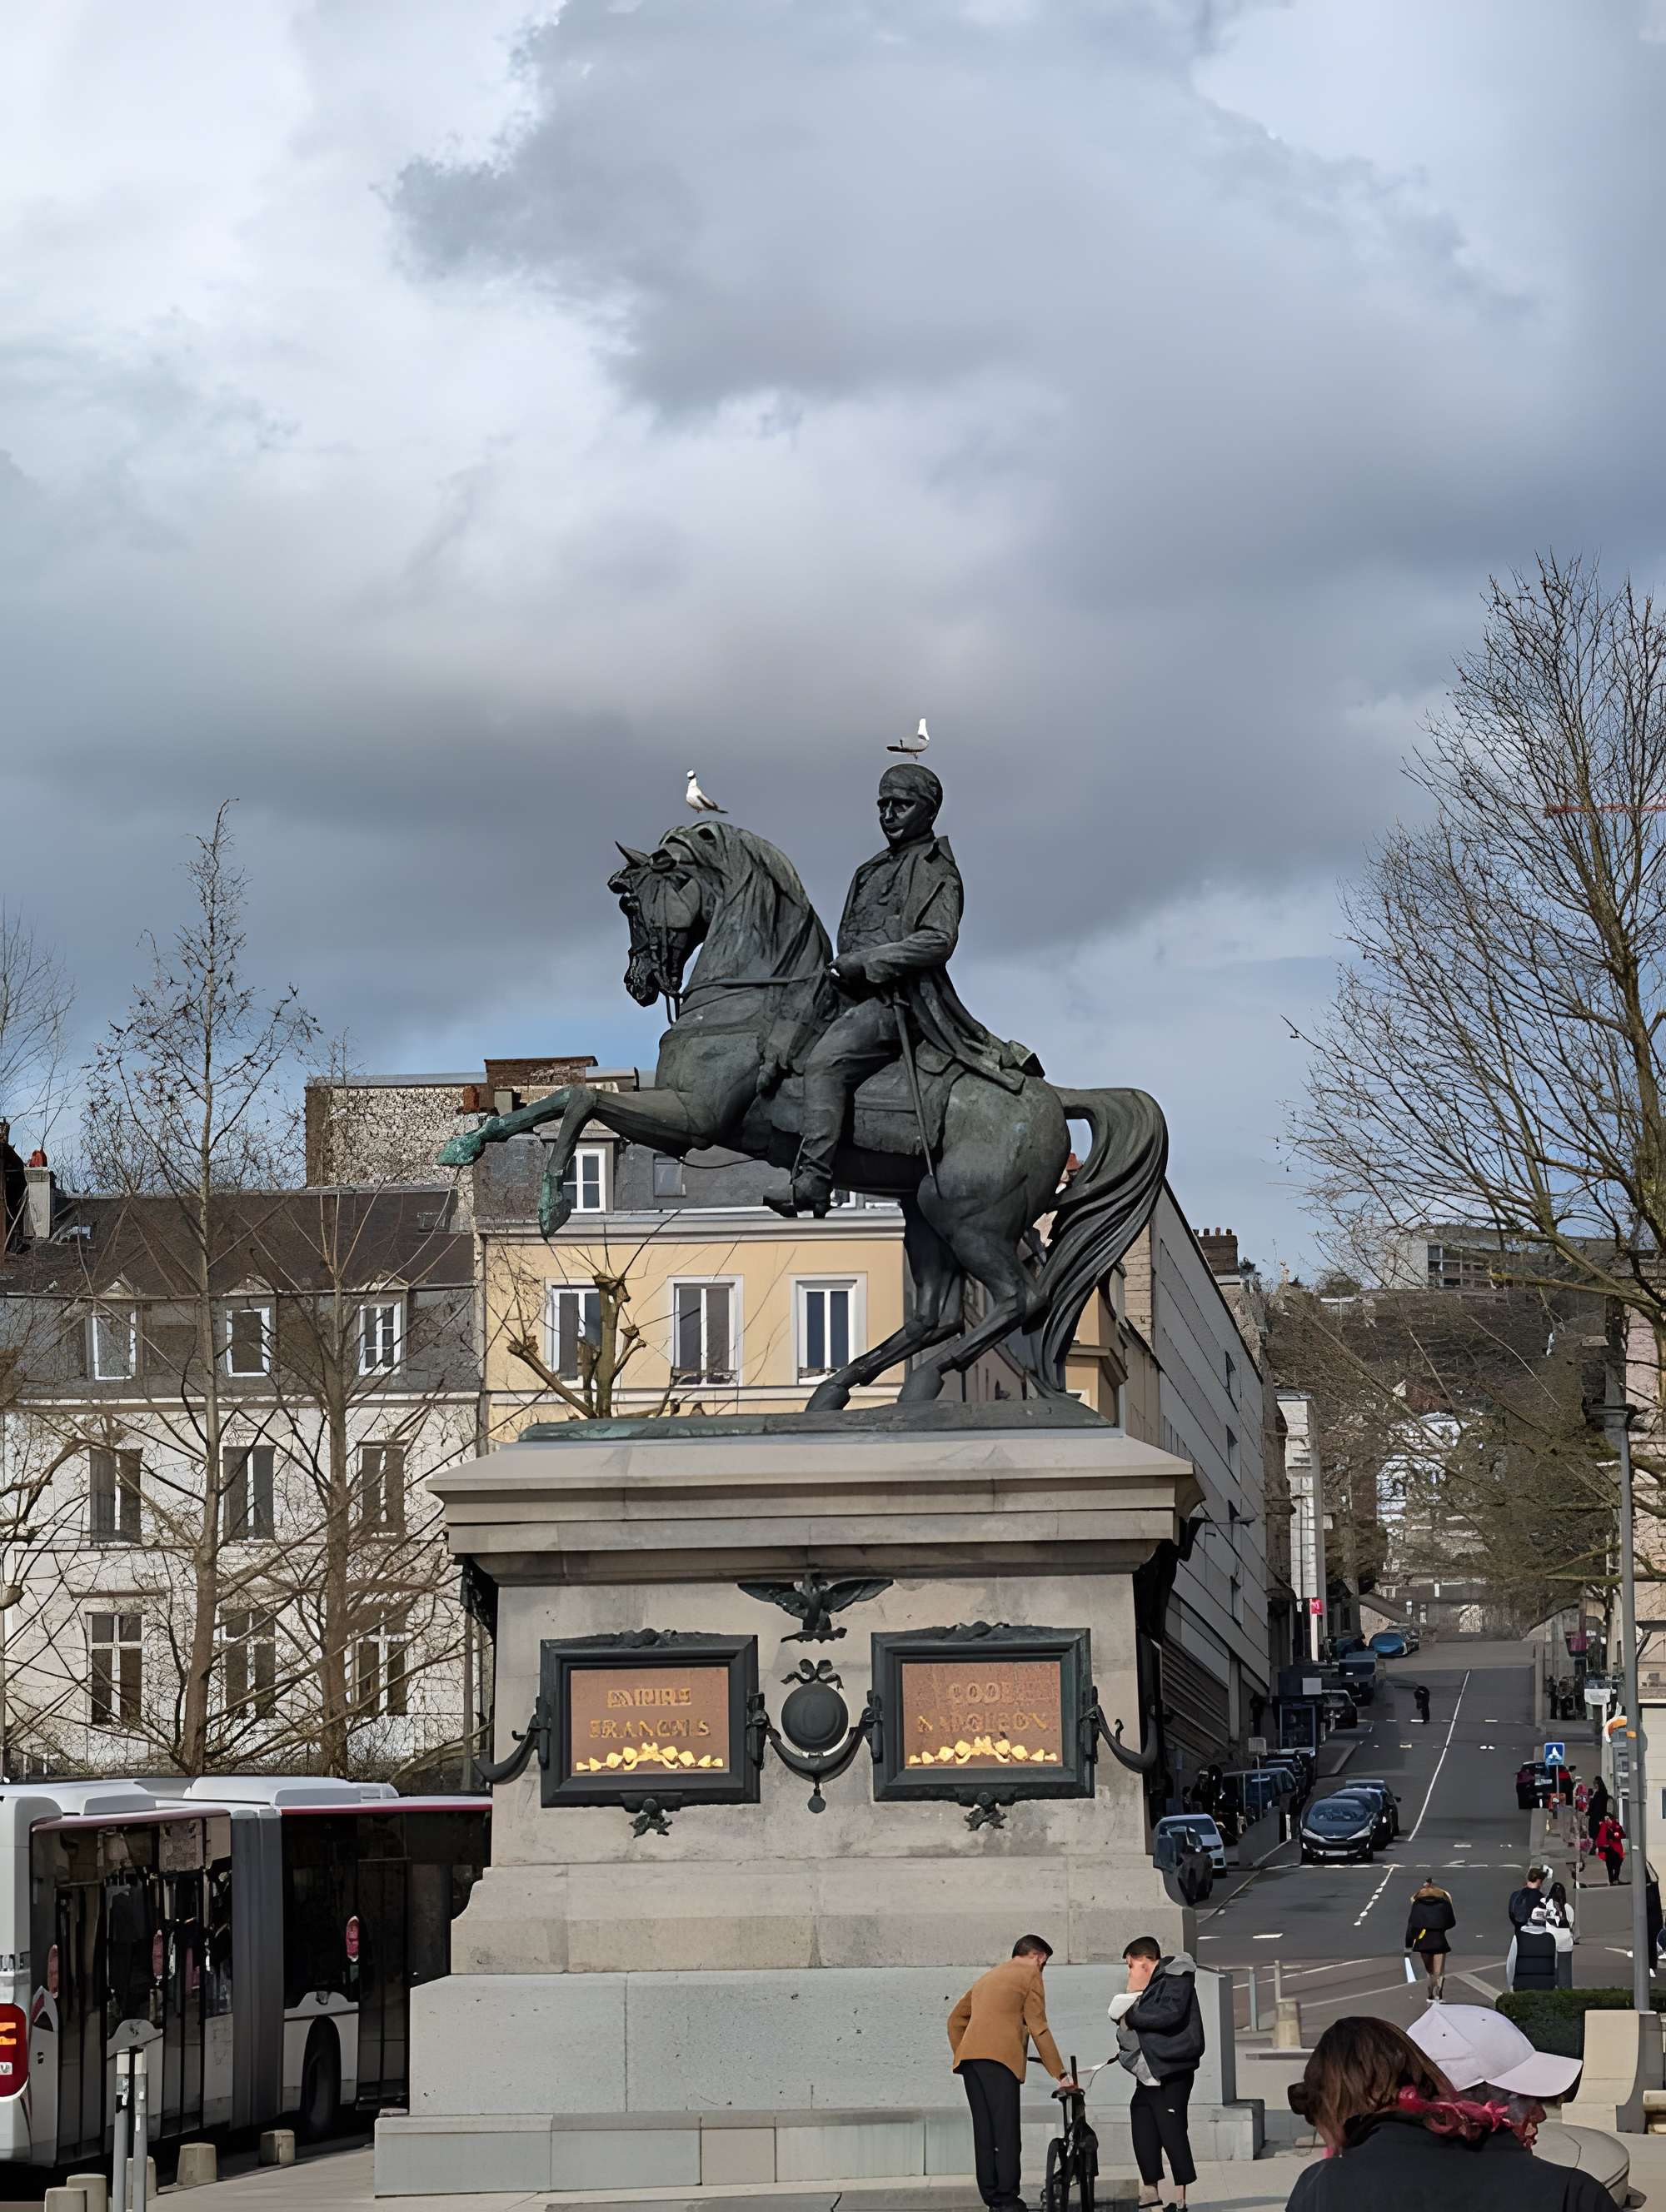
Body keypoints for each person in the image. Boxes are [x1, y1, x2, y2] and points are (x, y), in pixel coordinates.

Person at [767, 764, 1039, 1218]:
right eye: (883, 806)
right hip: (849, 993)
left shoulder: (938, 870)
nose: (889, 815)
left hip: (901, 1002)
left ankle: (813, 1181)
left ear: (928, 812)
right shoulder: (868, 870)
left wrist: (868, 963)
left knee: (826, 1064)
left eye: (901, 805)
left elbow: (938, 940)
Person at [1284, 2012, 1617, 2210]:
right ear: (1449, 2091)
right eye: (1518, 2095)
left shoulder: (1324, 2192)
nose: (1539, 2114)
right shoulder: (1572, 2194)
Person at [947, 1935, 1075, 2212]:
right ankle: (1008, 2199)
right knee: (1005, 2132)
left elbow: (955, 2020)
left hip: (971, 2063)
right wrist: (1060, 2074)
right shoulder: (1030, 1974)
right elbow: (1039, 2027)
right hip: (1000, 2063)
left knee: (985, 2132)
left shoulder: (989, 1977)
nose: (1043, 1969)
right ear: (1038, 1957)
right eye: (1045, 1963)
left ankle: (992, 2198)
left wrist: (964, 2053)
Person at [1110, 1936, 1205, 2212]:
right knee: (1143, 2125)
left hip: (1173, 2069)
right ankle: (1150, 2190)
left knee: (1172, 2131)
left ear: (1144, 1961)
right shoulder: (1152, 1986)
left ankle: (1180, 2199)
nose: (1129, 1973)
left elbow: (1170, 2015)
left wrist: (1132, 2014)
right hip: (1151, 2070)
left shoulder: (1177, 1977)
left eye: (1131, 1966)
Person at [1405, 1877, 1456, 2001]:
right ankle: (1439, 1990)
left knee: (1430, 1970)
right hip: (1439, 1939)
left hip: (1424, 1940)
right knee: (1439, 1971)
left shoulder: (1417, 1904)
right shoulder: (1443, 1904)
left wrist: (1409, 1944)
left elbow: (1412, 1925)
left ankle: (1430, 1992)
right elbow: (1451, 1922)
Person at [1506, 1905, 1562, 1993]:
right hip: (1546, 1986)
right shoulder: (1551, 1938)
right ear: (1544, 1923)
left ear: (1529, 1921)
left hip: (1522, 1985)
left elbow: (1511, 1965)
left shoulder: (1518, 1938)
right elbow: (1555, 1965)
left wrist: (1510, 1985)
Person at [1508, 1866, 1548, 1931]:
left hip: (1518, 1929)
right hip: (1533, 1932)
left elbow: (1511, 1913)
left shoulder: (1515, 1894)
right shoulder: (1540, 1898)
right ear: (1539, 1881)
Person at [1596, 1811, 1626, 1886]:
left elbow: (1623, 1835)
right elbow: (1600, 1837)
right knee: (1609, 1864)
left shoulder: (1616, 1826)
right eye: (1605, 1819)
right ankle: (1612, 1880)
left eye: (1608, 1819)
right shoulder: (1603, 1826)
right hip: (1608, 1849)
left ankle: (1615, 1879)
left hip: (1616, 1848)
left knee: (1618, 1863)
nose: (1606, 1820)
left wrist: (1616, 1836)